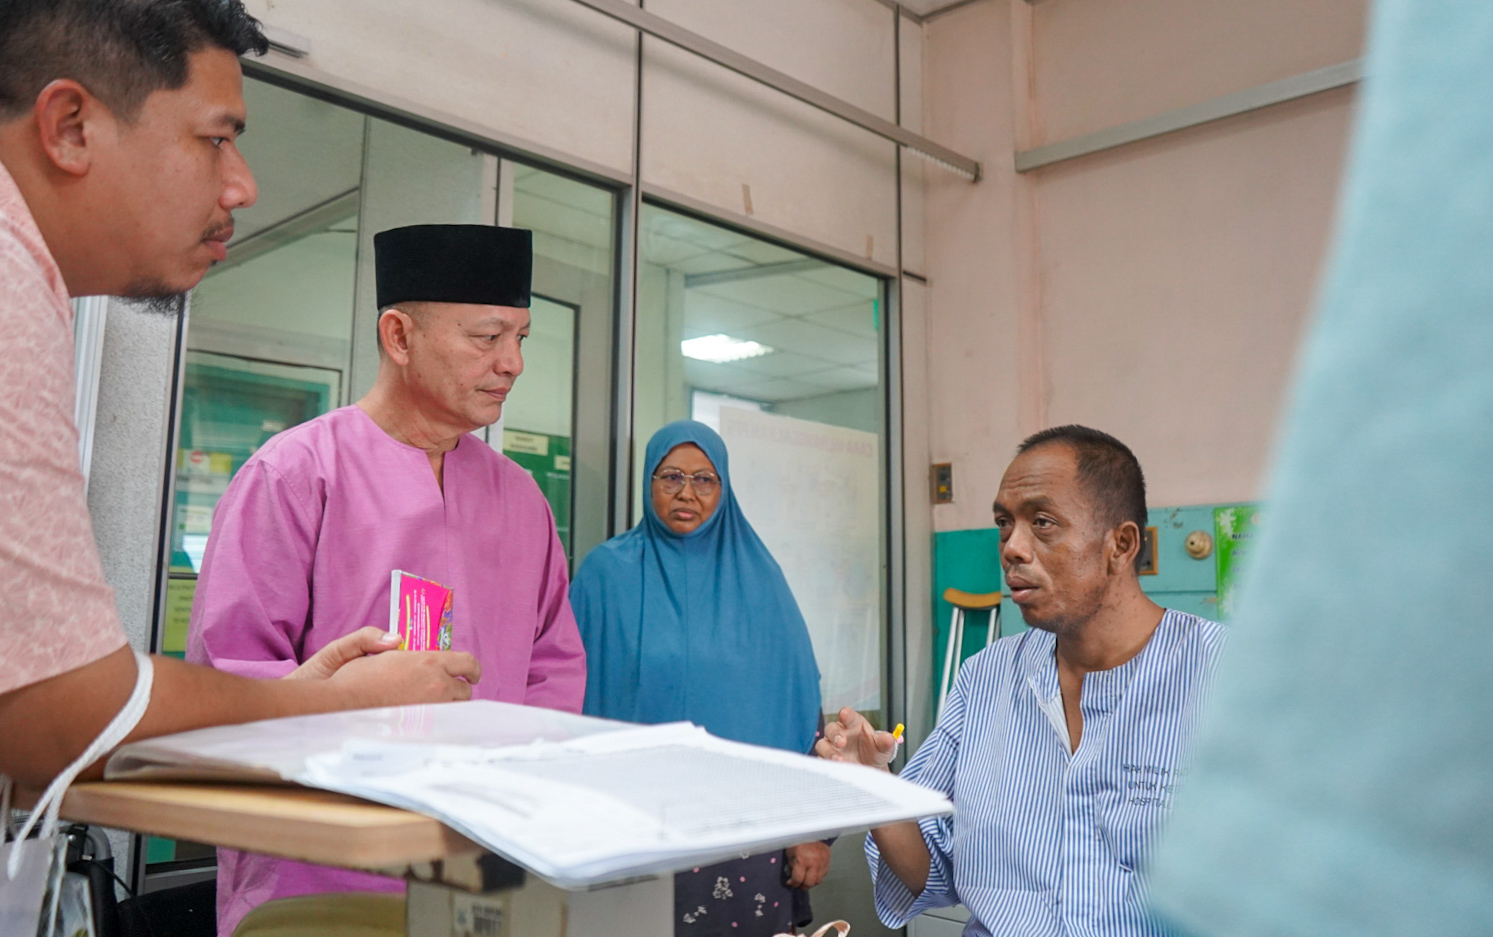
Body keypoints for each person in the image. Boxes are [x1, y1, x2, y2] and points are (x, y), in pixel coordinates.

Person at [0, 0, 480, 794]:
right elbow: (59, 711)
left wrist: (303, 700)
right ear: (71, 127)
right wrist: (324, 709)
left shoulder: (515, 496)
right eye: (216, 139)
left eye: (515, 339)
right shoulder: (12, 291)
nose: (243, 185)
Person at [187, 222, 587, 932]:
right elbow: (228, 689)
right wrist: (341, 701)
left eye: (521, 337)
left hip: (481, 867)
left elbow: (553, 674)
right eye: (487, 337)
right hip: (317, 870)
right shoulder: (295, 474)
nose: (513, 362)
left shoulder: (521, 499)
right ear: (399, 337)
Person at [818, 426, 1226, 937]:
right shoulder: (986, 680)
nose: (1012, 547)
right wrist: (874, 786)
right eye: (1003, 524)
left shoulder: (1228, 679)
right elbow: (930, 869)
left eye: (1043, 523)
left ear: (1120, 545)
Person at [570, 420, 830, 936]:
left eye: (704, 479)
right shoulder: (606, 574)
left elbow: (802, 715)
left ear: (724, 488)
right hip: (631, 830)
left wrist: (814, 833)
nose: (687, 493)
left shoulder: (761, 580)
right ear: (648, 483)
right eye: (670, 477)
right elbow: (563, 696)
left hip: (750, 837)